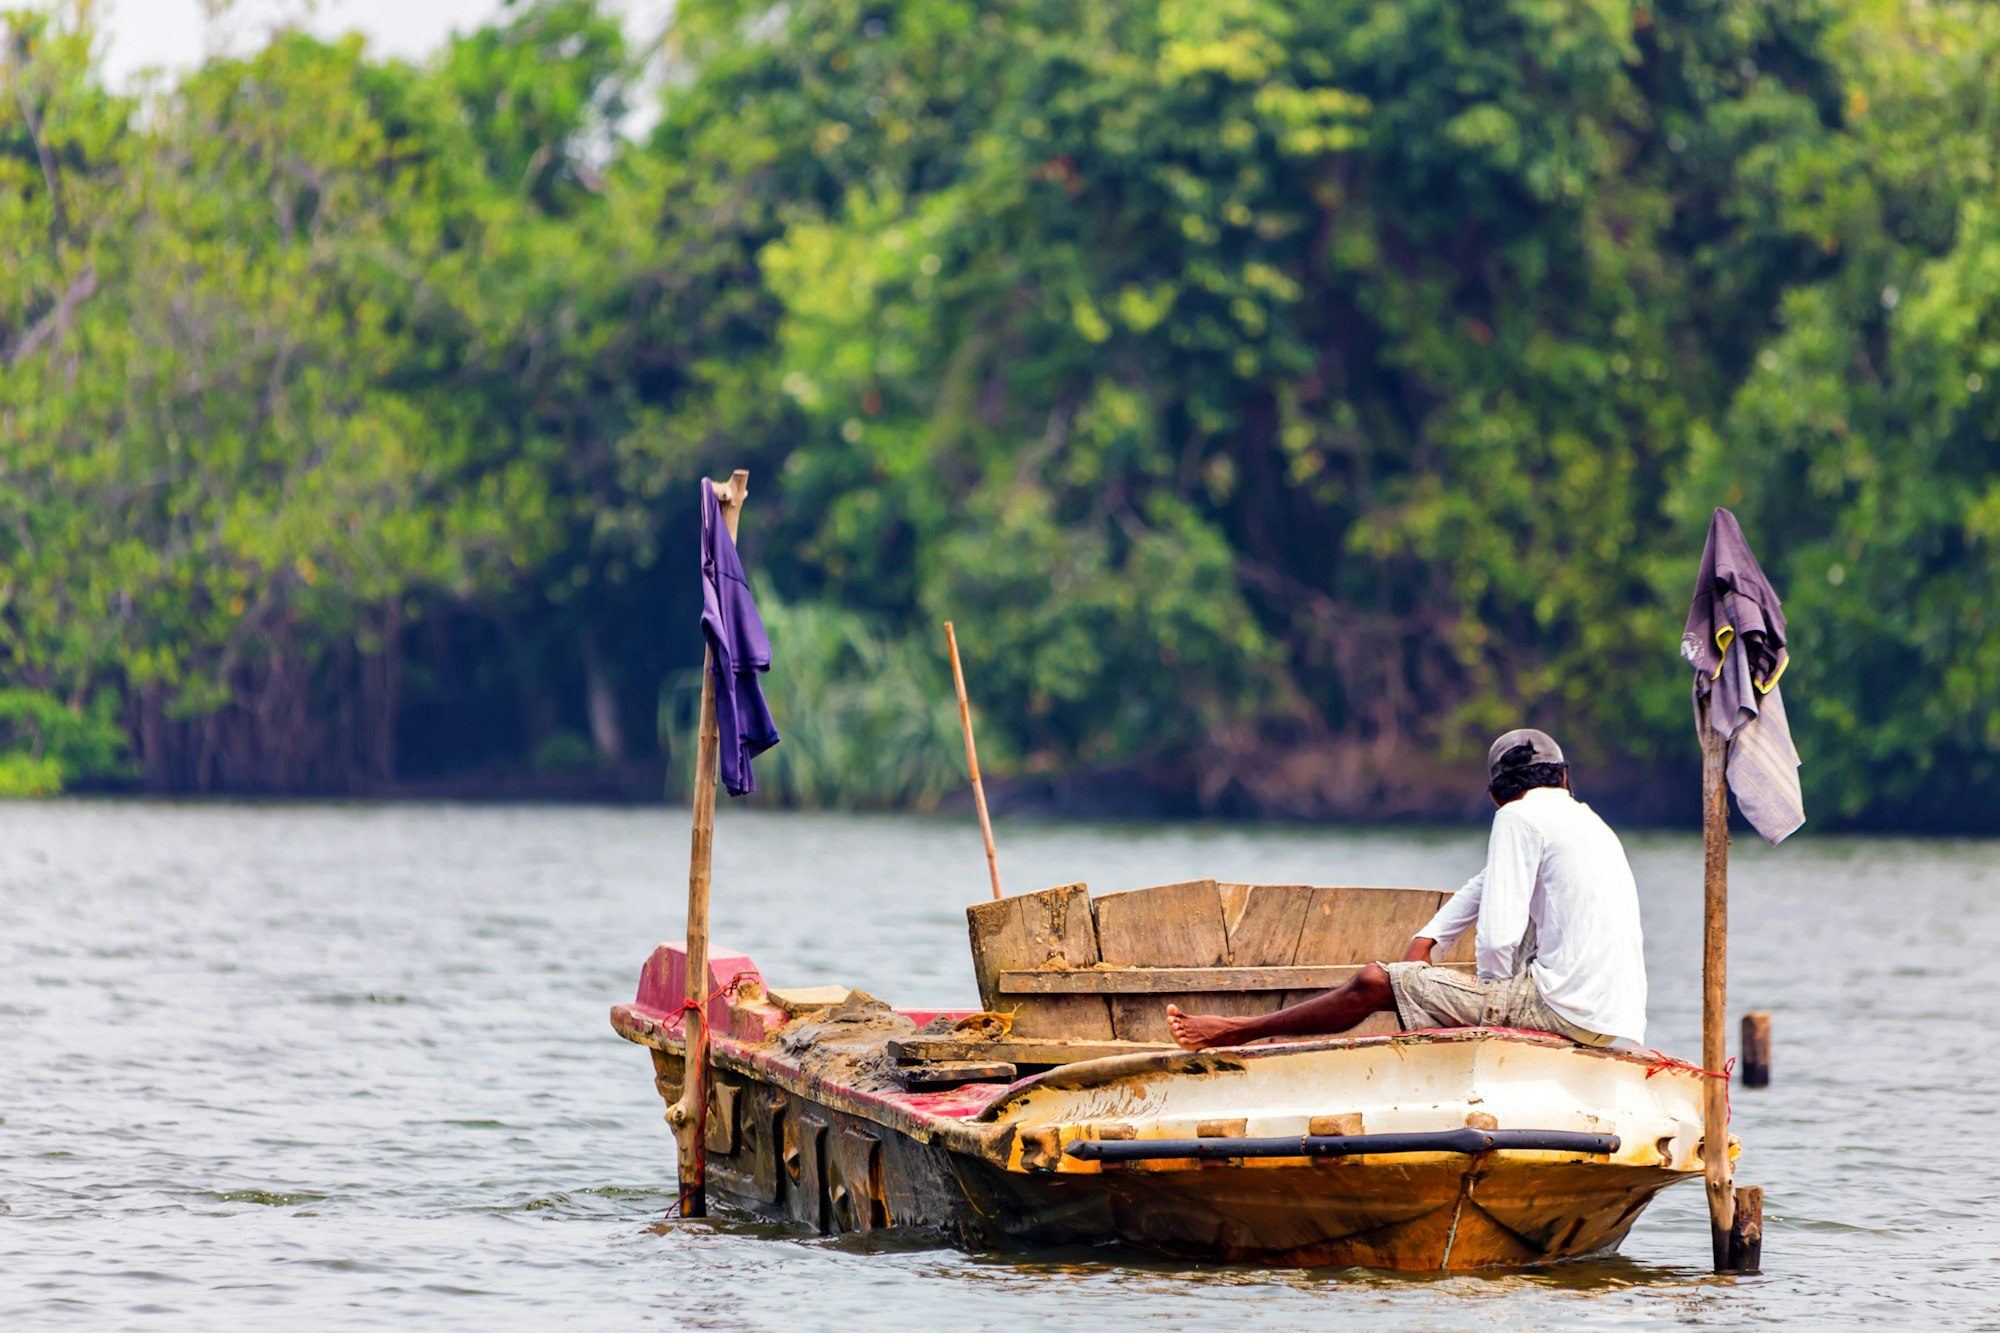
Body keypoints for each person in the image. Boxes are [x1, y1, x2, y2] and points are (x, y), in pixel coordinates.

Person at [1165, 728, 1647, 1051]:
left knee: (1375, 981)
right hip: (1611, 1020)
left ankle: (1234, 1032)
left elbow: (1499, 939)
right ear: (1564, 778)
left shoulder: (1516, 817)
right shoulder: (1587, 821)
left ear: (1496, 795)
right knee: (1432, 962)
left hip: (1558, 1011)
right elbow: (1488, 884)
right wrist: (1429, 940)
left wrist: (1487, 1004)